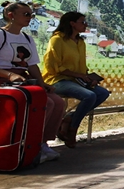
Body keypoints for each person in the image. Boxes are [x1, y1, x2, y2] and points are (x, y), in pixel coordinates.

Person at [0, 1, 67, 162]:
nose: (30, 17)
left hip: (21, 80)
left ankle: (42, 142)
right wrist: (9, 75)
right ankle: (27, 143)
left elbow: (32, 65)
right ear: (11, 15)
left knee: (58, 102)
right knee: (46, 103)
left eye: (31, 14)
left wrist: (42, 83)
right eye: (26, 14)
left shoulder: (27, 37)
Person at [41, 11, 110, 148]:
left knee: (102, 92)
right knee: (89, 95)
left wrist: (88, 78)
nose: (86, 24)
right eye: (82, 22)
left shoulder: (80, 42)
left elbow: (81, 67)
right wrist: (79, 75)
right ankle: (73, 129)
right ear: (72, 23)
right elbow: (53, 66)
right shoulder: (57, 40)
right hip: (57, 79)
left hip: (76, 80)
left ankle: (69, 119)